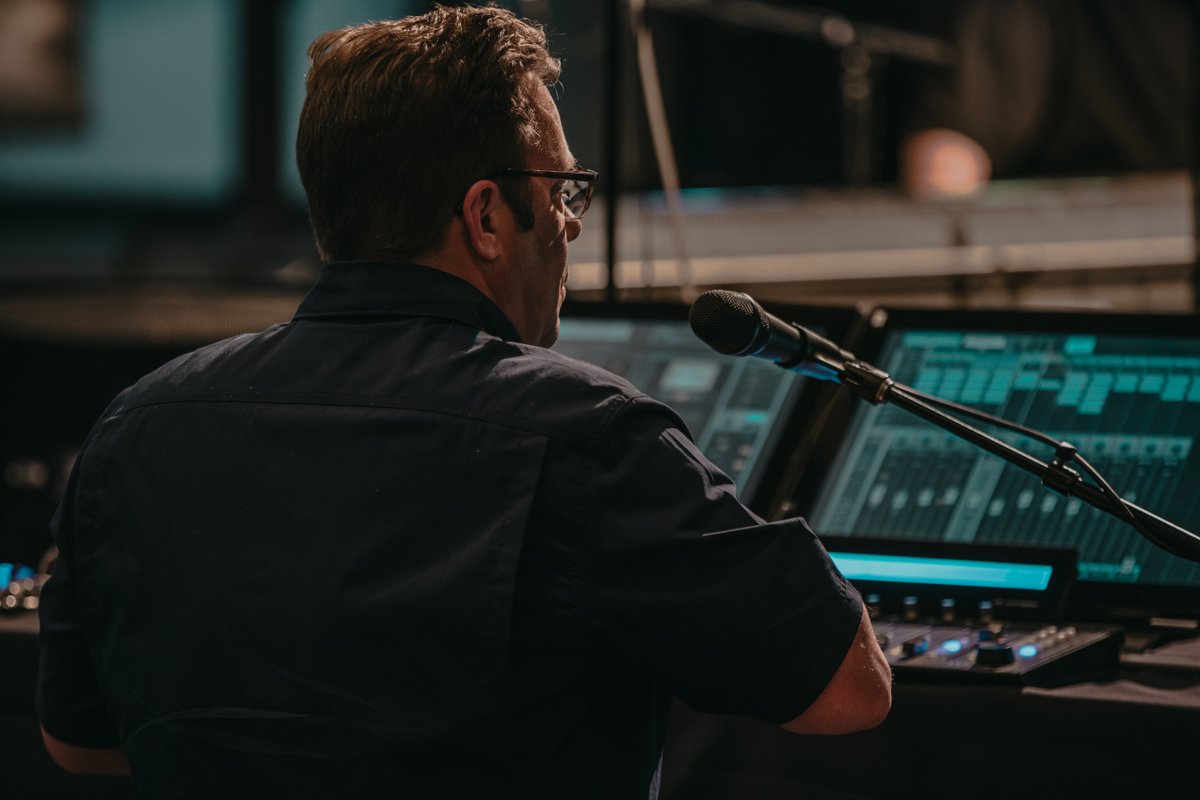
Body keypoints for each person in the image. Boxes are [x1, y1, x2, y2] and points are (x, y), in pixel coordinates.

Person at [36, 6, 890, 797]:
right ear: (485, 217)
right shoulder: (585, 436)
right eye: (560, 192)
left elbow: (78, 742)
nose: (572, 224)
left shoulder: (135, 426)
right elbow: (846, 690)